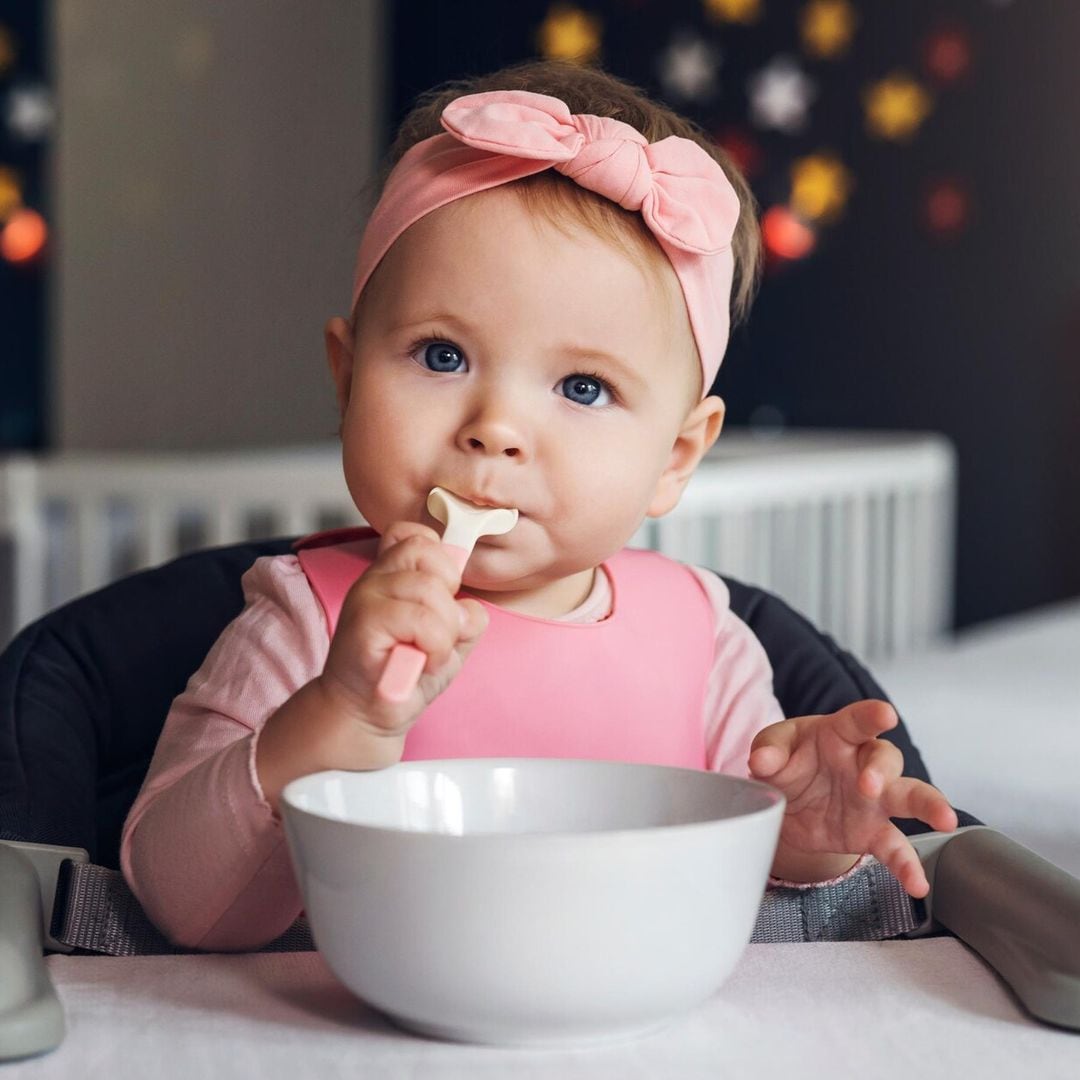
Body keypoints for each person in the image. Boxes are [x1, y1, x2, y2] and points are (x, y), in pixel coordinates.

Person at [121, 60, 958, 951]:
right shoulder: (307, 617)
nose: (497, 430)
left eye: (584, 387)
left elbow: (730, 888)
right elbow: (176, 905)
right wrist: (338, 716)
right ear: (347, 378)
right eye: (442, 356)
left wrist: (799, 841)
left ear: (675, 456)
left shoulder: (702, 639)